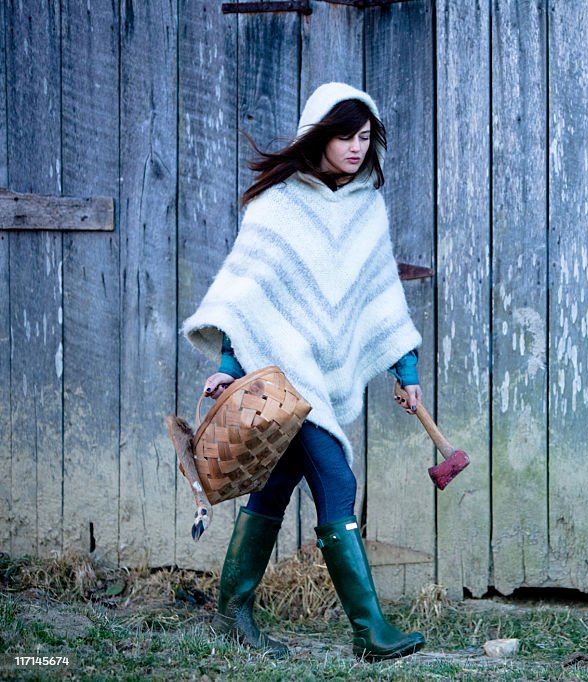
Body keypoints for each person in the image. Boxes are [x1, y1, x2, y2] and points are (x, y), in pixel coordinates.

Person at [183, 82, 425, 661]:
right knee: (337, 485)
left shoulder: (367, 204)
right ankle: (372, 632)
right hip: (285, 378)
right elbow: (249, 295)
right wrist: (226, 367)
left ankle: (233, 611)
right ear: (318, 135)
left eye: (366, 138)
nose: (356, 148)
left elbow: (381, 300)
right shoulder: (277, 205)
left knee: (273, 484)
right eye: (345, 135)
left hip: (327, 381)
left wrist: (406, 368)